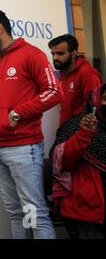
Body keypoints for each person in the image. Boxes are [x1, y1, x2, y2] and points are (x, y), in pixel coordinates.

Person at [0, 10, 62, 239]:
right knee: (17, 214)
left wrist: (17, 114)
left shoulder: (31, 55)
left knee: (34, 214)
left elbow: (54, 92)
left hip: (24, 148)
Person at [51, 83, 106, 239]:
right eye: (105, 99)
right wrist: (84, 135)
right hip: (87, 208)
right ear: (94, 101)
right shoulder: (75, 125)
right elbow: (61, 161)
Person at [48, 34, 102, 126]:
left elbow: (94, 111)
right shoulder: (63, 71)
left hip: (79, 135)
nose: (55, 58)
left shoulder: (88, 74)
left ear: (73, 53)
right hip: (65, 132)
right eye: (53, 54)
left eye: (60, 53)